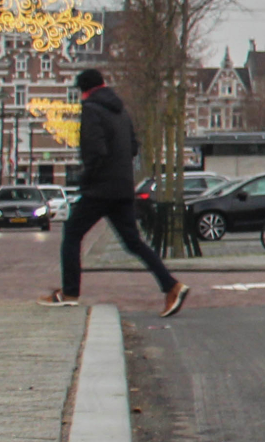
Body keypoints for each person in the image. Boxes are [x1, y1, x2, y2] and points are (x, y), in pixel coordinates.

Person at [42, 69, 188, 316]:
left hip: (100, 189)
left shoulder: (91, 110)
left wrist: (86, 179)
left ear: (84, 90)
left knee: (72, 234)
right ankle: (171, 285)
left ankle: (69, 293)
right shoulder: (121, 110)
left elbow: (95, 151)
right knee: (134, 242)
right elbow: (132, 147)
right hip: (122, 187)